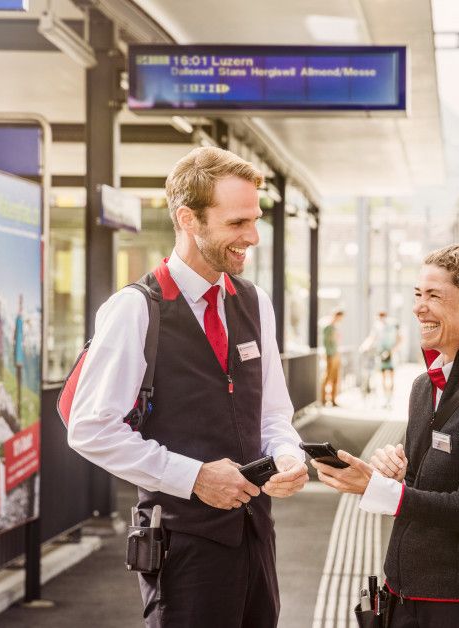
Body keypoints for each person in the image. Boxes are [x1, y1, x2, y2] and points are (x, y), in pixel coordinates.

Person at [68, 147, 309, 628]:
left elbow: (273, 414)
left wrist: (288, 455)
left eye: (254, 220)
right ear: (187, 219)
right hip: (181, 551)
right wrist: (194, 476)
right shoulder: (135, 309)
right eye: (237, 223)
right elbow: (90, 429)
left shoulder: (254, 302)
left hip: (256, 539)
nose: (253, 237)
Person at [313, 244, 459, 627]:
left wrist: (376, 488)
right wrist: (391, 473)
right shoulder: (423, 387)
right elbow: (421, 486)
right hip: (402, 594)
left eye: (434, 295)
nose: (418, 307)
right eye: (418, 294)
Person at [360, 311, 401, 406]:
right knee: (382, 377)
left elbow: (400, 339)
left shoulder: (393, 325)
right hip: (381, 353)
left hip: (391, 354)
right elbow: (372, 337)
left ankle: (390, 398)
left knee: (391, 377)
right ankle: (385, 398)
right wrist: (364, 346)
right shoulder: (377, 326)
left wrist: (392, 351)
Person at [320, 308, 344, 406]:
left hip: (335, 353)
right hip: (330, 355)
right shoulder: (328, 327)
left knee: (335, 377)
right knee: (327, 377)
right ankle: (323, 399)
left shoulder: (334, 327)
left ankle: (333, 399)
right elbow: (327, 342)